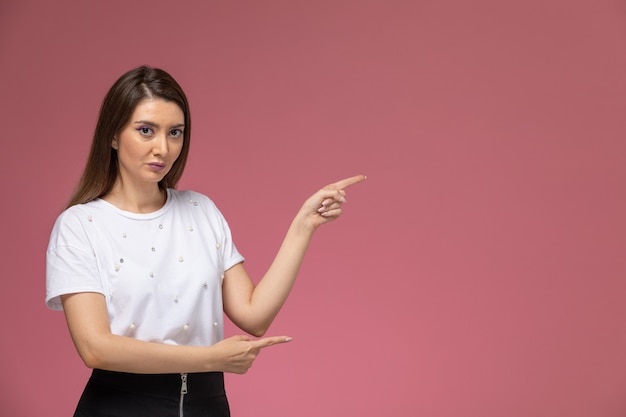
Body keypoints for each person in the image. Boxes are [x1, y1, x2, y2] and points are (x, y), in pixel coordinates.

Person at [45, 65, 365, 417]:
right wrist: (212, 358)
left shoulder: (201, 210)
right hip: (122, 406)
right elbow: (95, 349)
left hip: (208, 405)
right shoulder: (80, 225)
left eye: (175, 132)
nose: (162, 148)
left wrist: (304, 225)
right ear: (114, 135)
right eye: (146, 130)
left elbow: (253, 315)